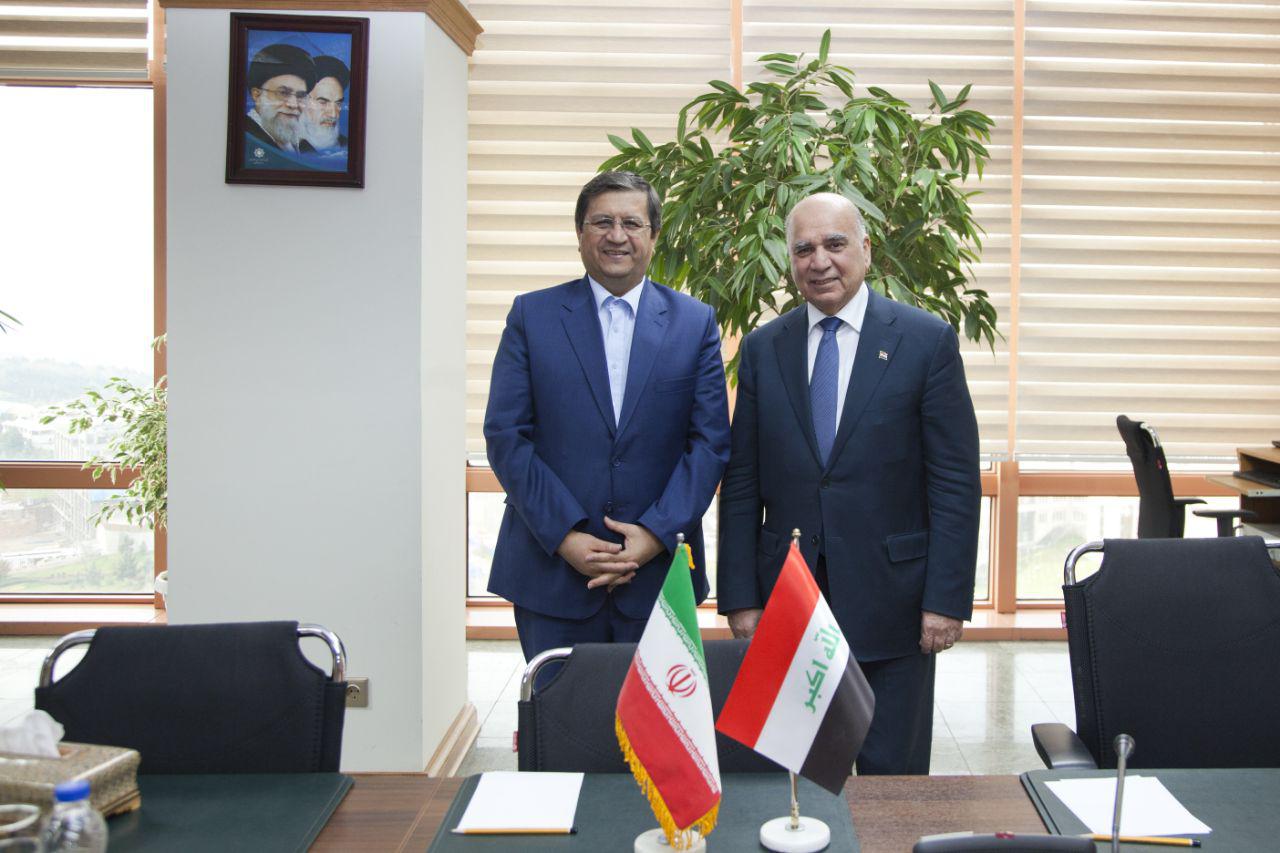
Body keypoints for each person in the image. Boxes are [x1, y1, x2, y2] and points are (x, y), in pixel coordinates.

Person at [716, 192, 981, 775]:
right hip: (790, 605)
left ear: (865, 248)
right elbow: (742, 484)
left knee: (893, 783)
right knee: (796, 779)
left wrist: (945, 600)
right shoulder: (763, 349)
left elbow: (954, 484)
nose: (820, 261)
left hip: (897, 605)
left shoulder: (925, 341)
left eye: (834, 244)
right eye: (803, 249)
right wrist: (740, 597)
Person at [484, 171, 731, 666]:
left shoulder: (695, 322)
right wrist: (566, 537)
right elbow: (506, 436)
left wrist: (654, 535)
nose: (617, 235)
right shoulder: (531, 316)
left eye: (632, 223)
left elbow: (709, 444)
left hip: (658, 576)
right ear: (580, 234)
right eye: (602, 222)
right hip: (552, 573)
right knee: (559, 710)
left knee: (657, 717)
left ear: (653, 237)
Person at [245, 43, 315, 154]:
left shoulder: (305, 147)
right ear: (257, 95)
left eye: (301, 95)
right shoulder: (245, 138)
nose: (293, 104)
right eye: (283, 93)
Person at [301, 55, 349, 153]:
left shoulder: (347, 146)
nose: (333, 114)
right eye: (323, 102)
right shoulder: (284, 146)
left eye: (338, 103)